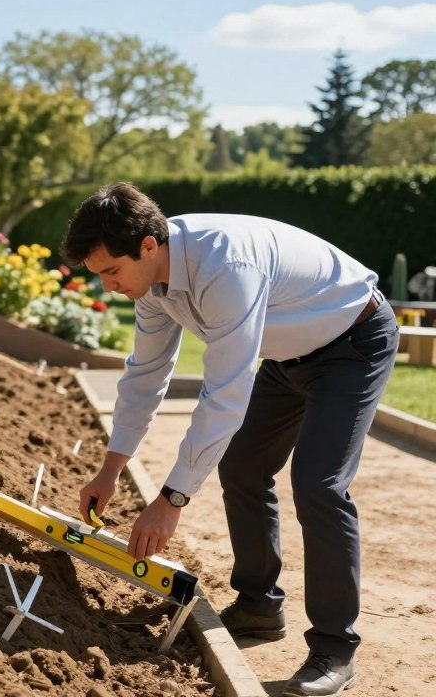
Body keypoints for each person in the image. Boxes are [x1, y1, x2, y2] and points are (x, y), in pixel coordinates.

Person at [61, 183, 398, 697]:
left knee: (319, 483)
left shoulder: (226, 265)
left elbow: (224, 393)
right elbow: (146, 374)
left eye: (112, 271)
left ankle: (334, 647)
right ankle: (260, 607)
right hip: (288, 358)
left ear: (148, 246)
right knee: (242, 466)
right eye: (99, 274)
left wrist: (171, 499)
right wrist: (110, 469)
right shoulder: (151, 286)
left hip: (353, 343)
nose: (108, 286)